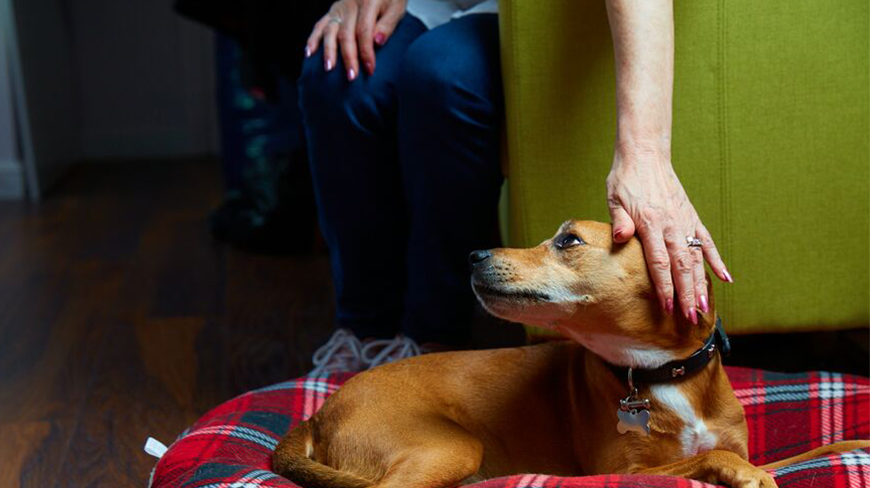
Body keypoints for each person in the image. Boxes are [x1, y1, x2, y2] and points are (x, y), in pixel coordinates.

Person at [299, 0, 734, 377]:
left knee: (442, 73)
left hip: (538, 14)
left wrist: (645, 153)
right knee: (335, 78)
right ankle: (363, 334)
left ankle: (431, 341)